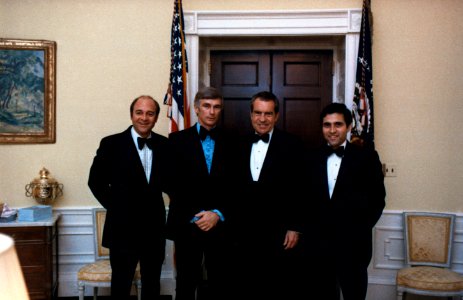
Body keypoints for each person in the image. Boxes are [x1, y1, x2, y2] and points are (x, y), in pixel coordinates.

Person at [88, 95, 170, 300]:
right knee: (121, 286)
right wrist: (118, 207)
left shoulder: (165, 145)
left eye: (150, 113)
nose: (144, 118)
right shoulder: (111, 143)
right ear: (131, 115)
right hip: (122, 229)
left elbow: (173, 183)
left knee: (152, 284)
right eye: (139, 112)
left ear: (156, 117)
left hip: (154, 229)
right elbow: (95, 182)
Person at [303, 102, 386, 300]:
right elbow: (304, 200)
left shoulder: (367, 157)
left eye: (338, 124)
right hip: (319, 248)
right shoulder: (310, 158)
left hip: (353, 247)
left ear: (348, 127)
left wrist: (357, 230)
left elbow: (377, 200)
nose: (332, 130)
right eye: (327, 125)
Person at [232, 91, 305, 299]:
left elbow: (301, 189)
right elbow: (229, 188)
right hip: (242, 232)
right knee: (244, 286)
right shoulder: (236, 144)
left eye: (268, 114)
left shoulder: (293, 145)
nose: (262, 119)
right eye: (258, 113)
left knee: (277, 287)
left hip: (279, 232)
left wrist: (295, 226)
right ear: (250, 114)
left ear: (277, 116)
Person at [166, 87, 236, 300]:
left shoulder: (235, 141)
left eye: (216, 107)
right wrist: (197, 214)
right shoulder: (176, 140)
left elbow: (238, 186)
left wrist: (217, 213)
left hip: (222, 225)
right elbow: (171, 183)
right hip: (188, 223)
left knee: (221, 284)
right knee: (186, 284)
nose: (211, 111)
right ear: (196, 109)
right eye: (206, 106)